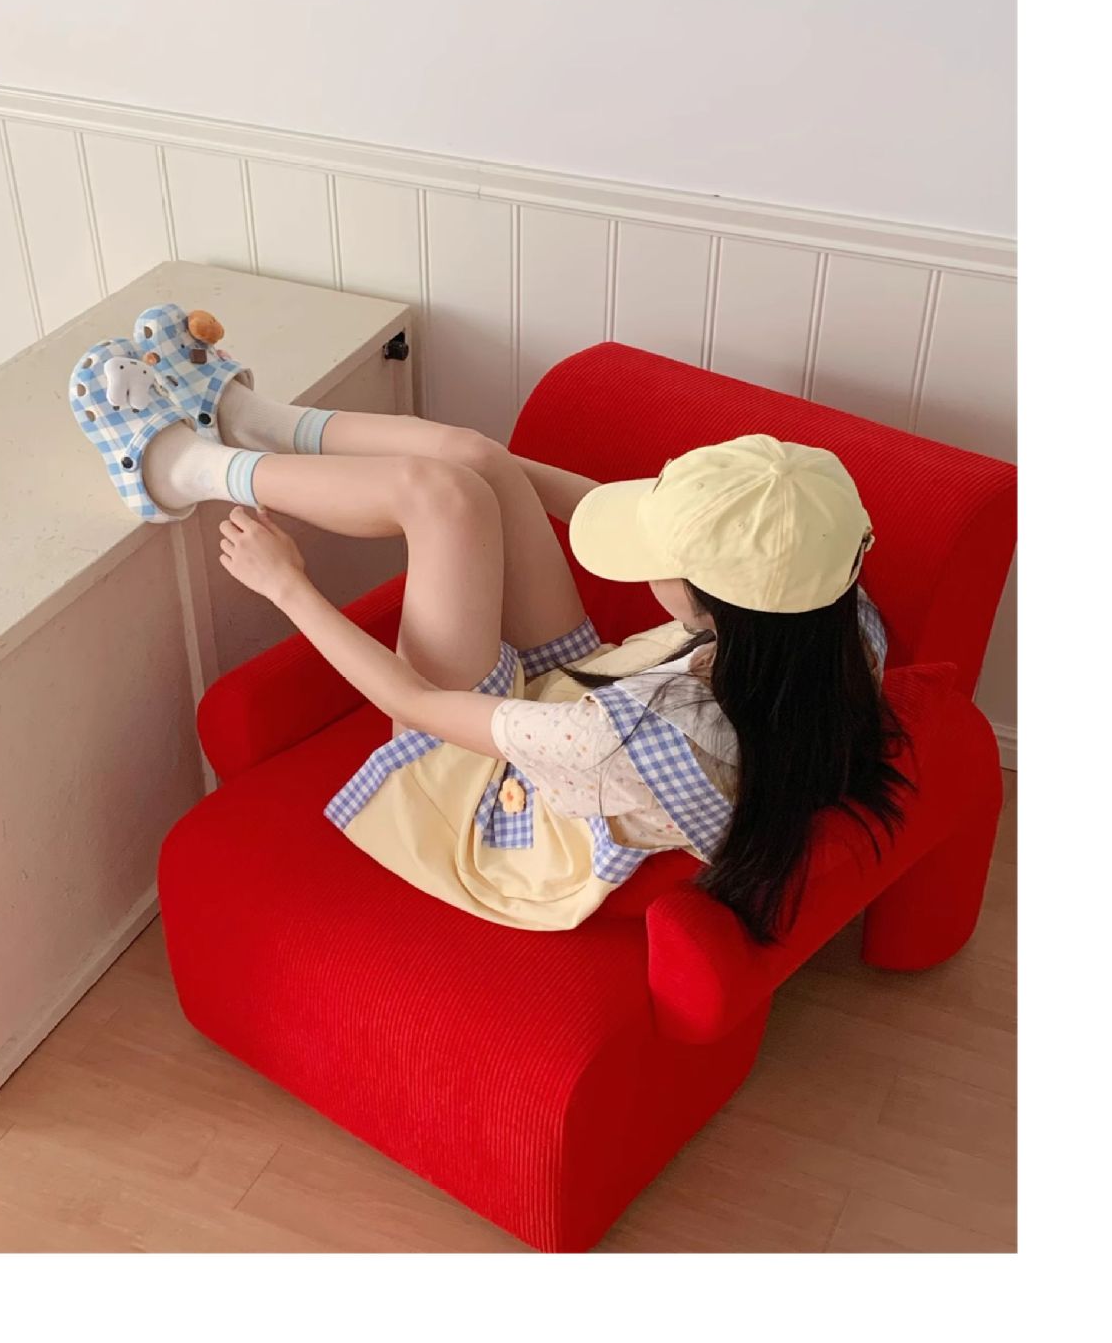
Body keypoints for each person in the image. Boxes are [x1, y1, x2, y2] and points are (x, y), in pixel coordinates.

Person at [72, 306, 910, 938]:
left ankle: (187, 469)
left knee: (437, 498)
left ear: (710, 603)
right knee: (473, 461)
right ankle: (261, 425)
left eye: (657, 551)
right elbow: (596, 508)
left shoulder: (628, 735)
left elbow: (417, 706)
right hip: (584, 698)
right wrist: (502, 467)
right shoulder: (831, 611)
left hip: (496, 803)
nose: (639, 554)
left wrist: (288, 587)